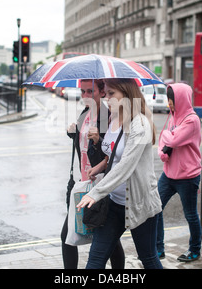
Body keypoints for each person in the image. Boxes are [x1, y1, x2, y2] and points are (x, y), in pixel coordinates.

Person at [77, 78, 163, 269]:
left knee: (148, 258)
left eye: (111, 94)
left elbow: (126, 165)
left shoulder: (140, 124)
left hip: (140, 204)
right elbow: (112, 156)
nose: (106, 98)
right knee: (95, 261)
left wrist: (96, 192)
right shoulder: (115, 119)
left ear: (126, 94)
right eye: (106, 93)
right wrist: (99, 166)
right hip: (113, 203)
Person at [62, 79, 125, 269]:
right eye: (82, 92)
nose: (86, 96)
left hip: (100, 184)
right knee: (78, 237)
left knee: (106, 241)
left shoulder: (107, 116)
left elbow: (110, 156)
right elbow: (81, 142)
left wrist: (98, 140)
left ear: (101, 92)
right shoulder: (85, 113)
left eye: (90, 91)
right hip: (84, 182)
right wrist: (73, 132)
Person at [156, 83, 202, 262]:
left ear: (182, 99)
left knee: (190, 214)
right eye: (168, 100)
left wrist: (166, 136)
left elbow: (172, 139)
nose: (170, 104)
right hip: (168, 174)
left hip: (187, 176)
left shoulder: (192, 120)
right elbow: (164, 143)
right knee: (155, 208)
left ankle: (195, 250)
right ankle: (158, 249)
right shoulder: (173, 117)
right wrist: (162, 151)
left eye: (172, 100)